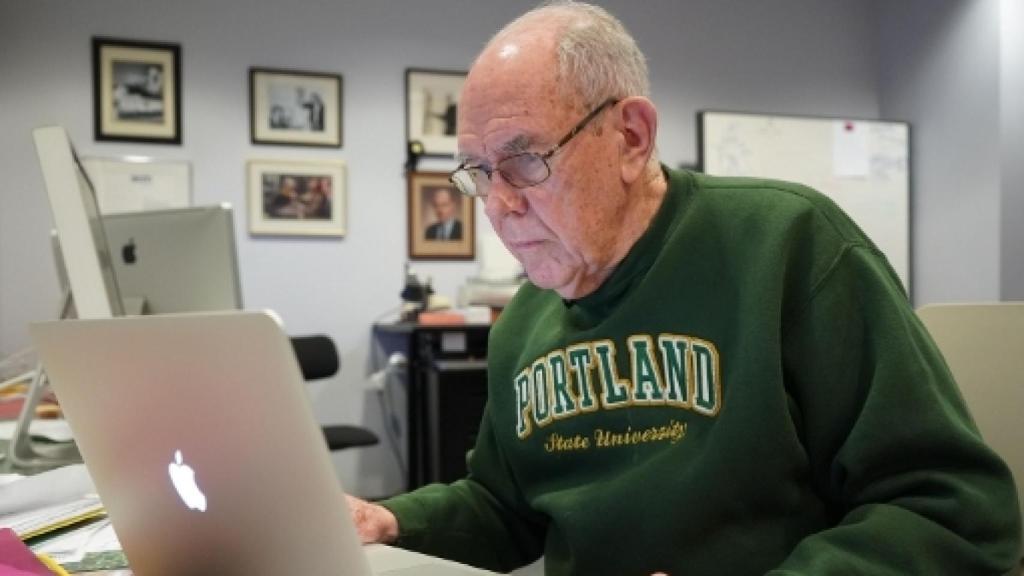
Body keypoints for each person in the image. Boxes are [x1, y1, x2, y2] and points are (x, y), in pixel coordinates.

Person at [348, 2, 1022, 575]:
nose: (496, 205)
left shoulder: (788, 245)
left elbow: (951, 510)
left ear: (631, 137)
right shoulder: (524, 321)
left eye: (524, 159)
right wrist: (389, 519)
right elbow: (504, 506)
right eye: (477, 172)